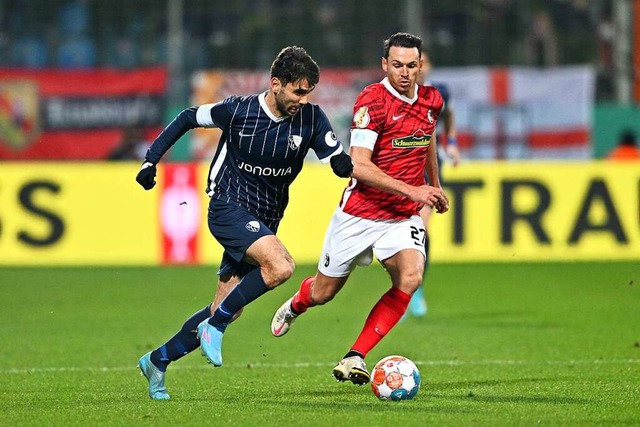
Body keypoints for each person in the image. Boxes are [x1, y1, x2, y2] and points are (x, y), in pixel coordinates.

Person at [135, 46, 353, 400]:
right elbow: (188, 117)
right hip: (227, 207)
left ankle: (157, 361)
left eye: (308, 92)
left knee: (226, 306)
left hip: (265, 219)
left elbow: (338, 160)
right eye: (297, 91)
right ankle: (215, 326)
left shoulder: (312, 119)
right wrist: (150, 161)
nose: (303, 98)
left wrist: (346, 165)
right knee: (281, 266)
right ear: (276, 84)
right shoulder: (239, 110)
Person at [270, 32, 449, 385]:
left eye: (411, 65)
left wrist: (435, 183)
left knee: (411, 276)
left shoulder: (432, 101)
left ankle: (355, 355)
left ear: (421, 66)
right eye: (397, 65)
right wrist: (414, 189)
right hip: (359, 214)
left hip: (400, 216)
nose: (404, 72)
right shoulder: (373, 102)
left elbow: (427, 137)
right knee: (323, 292)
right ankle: (295, 305)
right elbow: (359, 165)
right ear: (385, 65)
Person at [405, 49, 461, 318]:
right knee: (399, 235)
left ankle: (414, 289)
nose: (419, 68)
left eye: (422, 63)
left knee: (420, 228)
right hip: (398, 172)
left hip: (428, 169)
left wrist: (450, 143)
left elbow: (448, 115)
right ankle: (404, 287)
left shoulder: (439, 93)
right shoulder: (394, 94)